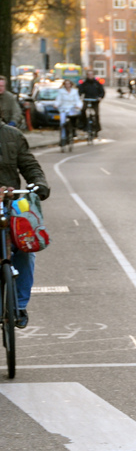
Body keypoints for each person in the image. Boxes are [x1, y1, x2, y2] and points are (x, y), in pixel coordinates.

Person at [0, 125, 50, 328]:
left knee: (26, 248)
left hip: (10, 206)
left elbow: (30, 166)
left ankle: (19, 306)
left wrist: (39, 184)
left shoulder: (13, 135)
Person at [55, 79, 82, 144]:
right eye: (66, 84)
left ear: (71, 85)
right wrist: (56, 104)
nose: (67, 85)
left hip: (72, 108)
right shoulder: (61, 91)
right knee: (62, 123)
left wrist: (78, 106)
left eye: (68, 84)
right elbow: (58, 99)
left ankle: (73, 131)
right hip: (63, 108)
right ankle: (63, 138)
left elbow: (77, 100)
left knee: (74, 119)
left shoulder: (74, 91)